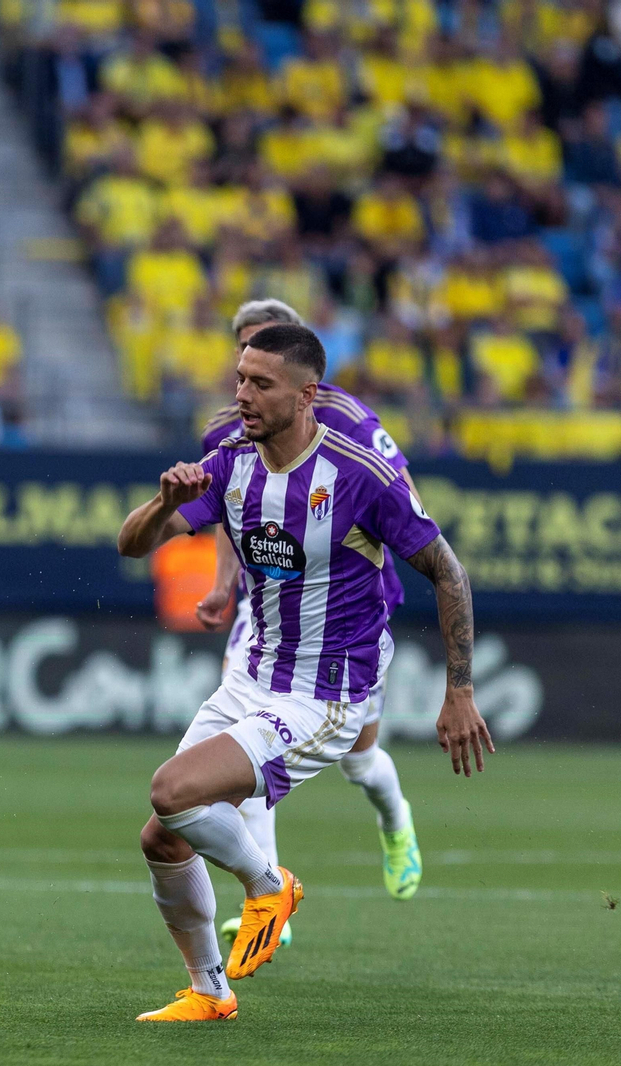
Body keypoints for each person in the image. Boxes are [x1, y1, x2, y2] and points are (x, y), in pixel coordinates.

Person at [118, 323, 491, 1022]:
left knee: (171, 790)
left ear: (306, 394)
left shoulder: (360, 476)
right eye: (239, 379)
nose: (243, 396)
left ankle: (270, 883)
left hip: (325, 694)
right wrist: (167, 502)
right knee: (162, 836)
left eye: (261, 384)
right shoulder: (231, 461)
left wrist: (459, 691)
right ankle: (209, 992)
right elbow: (131, 544)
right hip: (254, 676)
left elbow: (448, 571)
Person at [198, 300, 424, 940]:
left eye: (263, 372)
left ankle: (395, 819)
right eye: (242, 366)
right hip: (265, 603)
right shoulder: (226, 431)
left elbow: (405, 508)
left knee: (360, 757)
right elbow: (228, 509)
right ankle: (265, 889)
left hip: (349, 611)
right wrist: (222, 585)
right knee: (243, 741)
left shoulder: (352, 423)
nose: (246, 386)